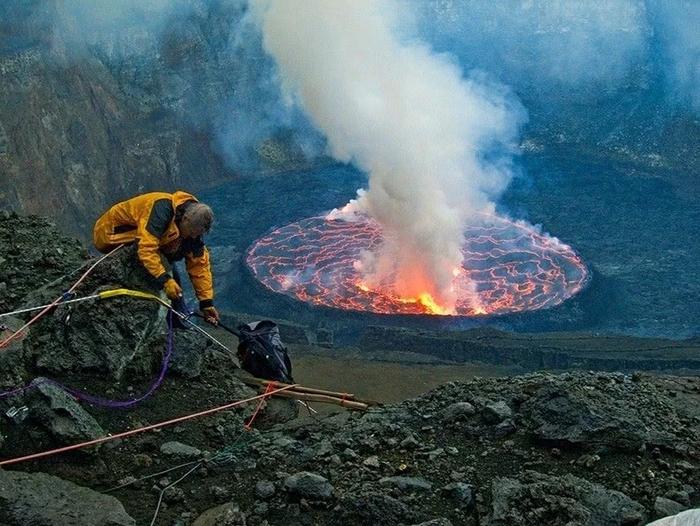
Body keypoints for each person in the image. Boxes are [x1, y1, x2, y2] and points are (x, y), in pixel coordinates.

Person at [93, 191, 220, 325]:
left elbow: (199, 266)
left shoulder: (192, 226)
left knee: (171, 267)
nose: (193, 236)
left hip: (149, 239)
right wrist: (165, 280)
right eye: (192, 232)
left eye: (197, 234)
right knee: (165, 267)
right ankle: (174, 317)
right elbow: (146, 248)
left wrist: (206, 302)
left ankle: (177, 316)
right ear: (185, 218)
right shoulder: (161, 209)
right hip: (112, 234)